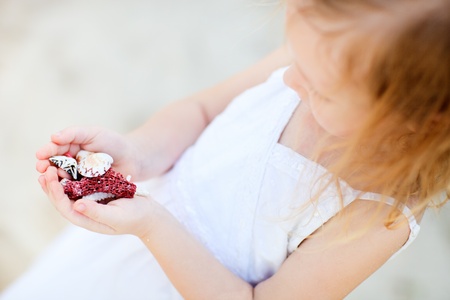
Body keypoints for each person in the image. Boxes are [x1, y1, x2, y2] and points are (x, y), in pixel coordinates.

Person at [2, 0, 449, 299]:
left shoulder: (378, 214)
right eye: (296, 59)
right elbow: (200, 110)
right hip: (125, 242)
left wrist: (154, 226)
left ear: (415, 115)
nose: (291, 83)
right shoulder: (318, 62)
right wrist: (137, 152)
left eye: (320, 90)